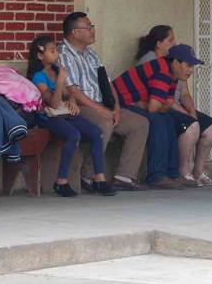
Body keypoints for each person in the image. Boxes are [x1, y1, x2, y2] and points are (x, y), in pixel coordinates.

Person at [59, 11, 150, 192]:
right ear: (75, 32)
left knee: (140, 123)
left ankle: (124, 176)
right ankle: (89, 175)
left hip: (103, 104)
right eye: (89, 27)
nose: (93, 30)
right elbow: (73, 91)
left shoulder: (92, 54)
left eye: (92, 26)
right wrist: (101, 111)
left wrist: (115, 106)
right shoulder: (64, 54)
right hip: (80, 106)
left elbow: (107, 83)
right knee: (104, 123)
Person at [27, 36, 116, 197]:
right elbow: (53, 104)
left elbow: (69, 94)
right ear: (40, 56)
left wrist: (73, 102)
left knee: (96, 133)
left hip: (64, 113)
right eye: (52, 51)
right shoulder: (39, 77)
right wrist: (60, 81)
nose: (57, 55)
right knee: (73, 135)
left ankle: (99, 179)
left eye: (56, 51)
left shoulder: (56, 71)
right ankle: (61, 182)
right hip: (48, 117)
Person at [111, 44, 206, 189]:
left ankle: (172, 174)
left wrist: (162, 106)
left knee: (168, 119)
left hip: (135, 104)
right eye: (188, 65)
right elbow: (154, 108)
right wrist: (160, 105)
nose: (191, 70)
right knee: (159, 121)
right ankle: (157, 176)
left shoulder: (173, 74)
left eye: (193, 66)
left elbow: (165, 103)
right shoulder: (162, 72)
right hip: (118, 103)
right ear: (175, 62)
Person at [137, 26, 212, 187]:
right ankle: (183, 172)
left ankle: (198, 171)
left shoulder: (176, 61)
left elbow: (185, 94)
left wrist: (192, 112)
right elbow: (162, 98)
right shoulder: (151, 61)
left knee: (211, 126)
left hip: (173, 105)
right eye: (170, 40)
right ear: (159, 43)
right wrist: (188, 117)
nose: (174, 42)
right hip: (162, 106)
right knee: (192, 126)